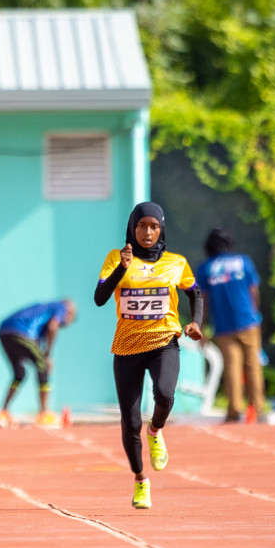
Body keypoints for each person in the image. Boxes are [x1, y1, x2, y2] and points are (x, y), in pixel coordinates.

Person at [95, 202, 204, 510]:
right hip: (127, 348)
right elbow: (100, 298)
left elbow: (195, 292)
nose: (147, 232)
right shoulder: (117, 258)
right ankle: (141, 481)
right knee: (130, 423)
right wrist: (122, 268)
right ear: (133, 227)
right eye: (142, 226)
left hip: (163, 342)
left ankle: (156, 429)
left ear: (161, 229)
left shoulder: (176, 262)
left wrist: (195, 321)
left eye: (154, 226)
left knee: (164, 393)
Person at [201, 228, 268, 423]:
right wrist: (255, 315)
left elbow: (203, 301)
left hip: (223, 326)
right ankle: (259, 411)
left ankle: (233, 412)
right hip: (248, 322)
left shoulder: (206, 268)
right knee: (253, 366)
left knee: (232, 368)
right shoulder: (243, 261)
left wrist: (203, 326)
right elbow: (253, 290)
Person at [0, 299, 76, 428]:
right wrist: (47, 356)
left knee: (19, 374)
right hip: (22, 332)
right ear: (69, 312)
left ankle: (3, 412)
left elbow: (36, 342)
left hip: (4, 331)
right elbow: (53, 326)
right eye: (72, 317)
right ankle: (43, 414)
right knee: (43, 366)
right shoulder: (61, 307)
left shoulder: (43, 309)